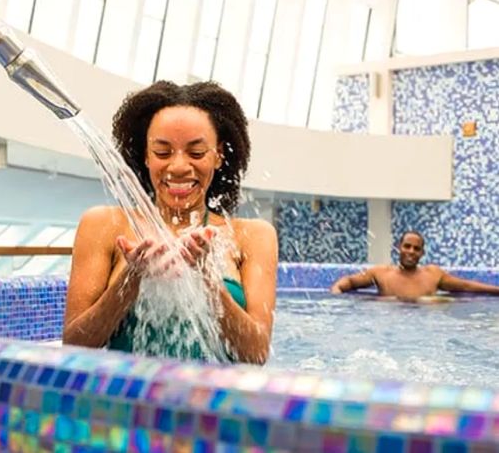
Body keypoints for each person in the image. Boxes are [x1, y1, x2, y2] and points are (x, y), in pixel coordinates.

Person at [62, 81, 277, 364]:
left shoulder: (253, 236)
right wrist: (131, 280)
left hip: (214, 404)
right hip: (130, 401)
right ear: (145, 156)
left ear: (219, 155)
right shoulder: (104, 225)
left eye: (196, 153)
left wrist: (207, 280)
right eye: (162, 152)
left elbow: (256, 353)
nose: (178, 167)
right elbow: (74, 345)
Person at [330, 231, 499, 299]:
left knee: (435, 302)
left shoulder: (433, 274)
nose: (411, 251)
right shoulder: (381, 273)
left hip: (422, 329)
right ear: (399, 248)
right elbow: (350, 282)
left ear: (422, 253)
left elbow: (465, 286)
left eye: (416, 248)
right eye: (407, 246)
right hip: (390, 326)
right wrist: (336, 292)